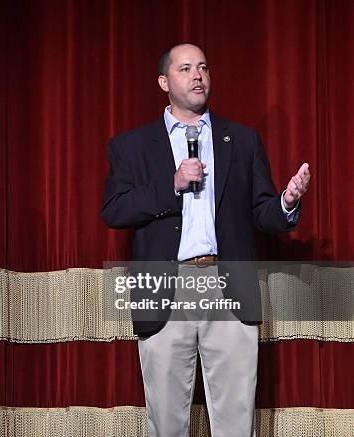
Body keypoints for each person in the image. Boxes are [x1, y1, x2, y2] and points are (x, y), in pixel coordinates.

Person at [101, 43, 310, 436]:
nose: (197, 75)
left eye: (203, 67)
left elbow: (262, 212)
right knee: (166, 423)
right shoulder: (130, 146)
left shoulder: (243, 140)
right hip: (166, 289)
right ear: (164, 81)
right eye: (185, 69)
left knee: (235, 420)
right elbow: (114, 210)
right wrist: (173, 184)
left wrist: (286, 201)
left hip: (227, 288)